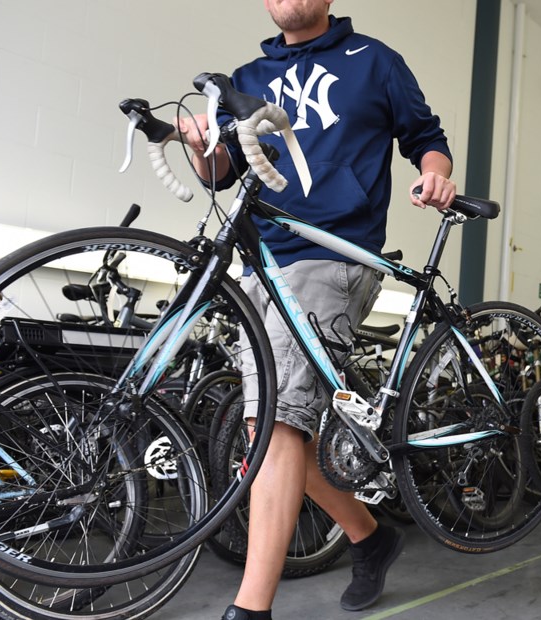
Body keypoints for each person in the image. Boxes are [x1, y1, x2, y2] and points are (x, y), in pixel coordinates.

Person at [177, 1, 456, 618]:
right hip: (262, 257)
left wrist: (436, 174)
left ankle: (251, 608)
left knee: (276, 424)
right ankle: (370, 536)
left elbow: (426, 140)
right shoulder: (245, 78)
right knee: (271, 429)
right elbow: (222, 172)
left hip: (335, 254)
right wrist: (202, 146)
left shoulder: (375, 62)